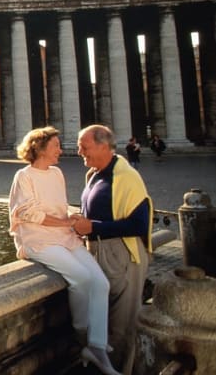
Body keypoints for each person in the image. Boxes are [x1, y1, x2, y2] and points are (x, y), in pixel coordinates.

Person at [9, 126, 120, 375]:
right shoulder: (24, 176)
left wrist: (72, 215)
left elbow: (59, 207)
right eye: (56, 145)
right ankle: (82, 333)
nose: (61, 149)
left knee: (100, 283)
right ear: (40, 147)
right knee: (80, 278)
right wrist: (65, 222)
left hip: (64, 236)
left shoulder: (57, 173)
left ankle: (97, 345)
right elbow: (28, 213)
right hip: (38, 239)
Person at [73, 124, 153, 375]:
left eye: (84, 147)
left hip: (122, 255)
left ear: (103, 146)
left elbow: (140, 223)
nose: (79, 152)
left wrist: (92, 226)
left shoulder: (127, 177)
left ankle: (119, 370)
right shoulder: (95, 174)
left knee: (121, 326)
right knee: (102, 322)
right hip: (97, 251)